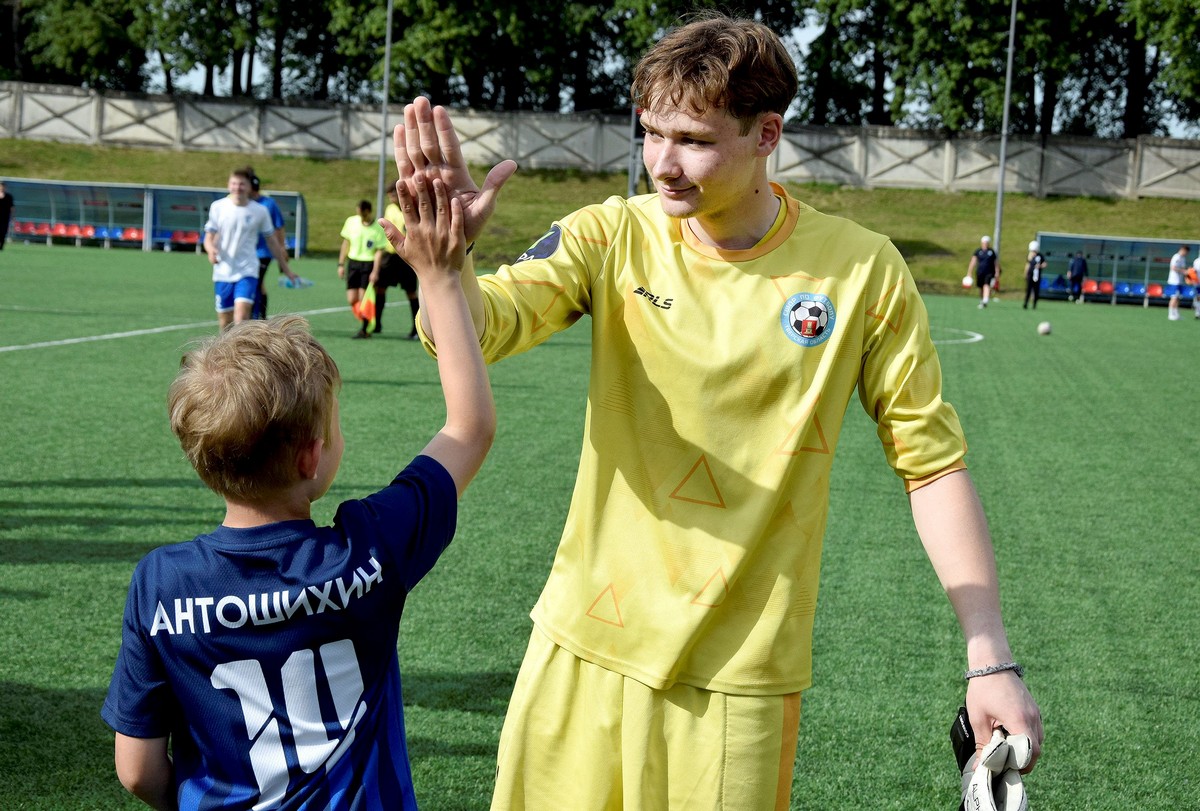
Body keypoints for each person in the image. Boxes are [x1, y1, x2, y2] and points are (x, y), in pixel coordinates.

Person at [393, 12, 1042, 810]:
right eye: (650, 133)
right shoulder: (608, 235)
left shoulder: (861, 271)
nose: (663, 163)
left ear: (766, 133)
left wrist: (990, 654)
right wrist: (445, 268)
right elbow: (472, 331)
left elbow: (932, 464)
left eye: (693, 140)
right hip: (582, 644)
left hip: (741, 680)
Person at [100, 173, 495, 810]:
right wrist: (441, 274)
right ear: (313, 457)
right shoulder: (369, 550)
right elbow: (469, 427)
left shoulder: (161, 583)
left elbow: (139, 771)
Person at [203, 167, 297, 330]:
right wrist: (211, 250)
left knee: (241, 318)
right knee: (225, 321)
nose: (237, 188)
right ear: (228, 185)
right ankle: (224, 354)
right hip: (223, 271)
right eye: (234, 183)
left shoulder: (259, 211)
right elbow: (208, 237)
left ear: (248, 187)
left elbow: (272, 241)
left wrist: (285, 268)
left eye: (241, 184)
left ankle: (241, 355)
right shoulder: (218, 207)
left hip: (247, 270)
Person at [338, 199, 386, 339]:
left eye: (362, 214)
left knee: (364, 298)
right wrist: (341, 264)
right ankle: (368, 319)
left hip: (368, 264)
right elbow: (345, 243)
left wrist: (375, 271)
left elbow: (378, 252)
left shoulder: (378, 227)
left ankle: (365, 330)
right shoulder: (351, 222)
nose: (360, 217)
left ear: (368, 211)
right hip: (353, 263)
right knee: (352, 299)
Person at [379, 185, 422, 338]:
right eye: (389, 195)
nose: (391, 197)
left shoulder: (410, 208)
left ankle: (416, 329)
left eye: (393, 194)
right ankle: (376, 325)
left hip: (406, 256)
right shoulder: (390, 209)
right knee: (380, 287)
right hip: (390, 255)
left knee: (411, 292)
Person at [247, 169, 289, 319]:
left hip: (264, 252)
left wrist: (282, 247)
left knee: (256, 282)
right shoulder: (245, 204)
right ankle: (260, 316)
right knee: (258, 283)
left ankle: (257, 317)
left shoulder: (268, 204)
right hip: (247, 251)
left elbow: (279, 227)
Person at [967, 235, 1000, 308]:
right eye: (984, 242)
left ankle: (985, 300)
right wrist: (969, 272)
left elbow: (996, 263)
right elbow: (973, 262)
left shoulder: (991, 252)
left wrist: (997, 272)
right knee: (981, 287)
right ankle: (982, 300)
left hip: (989, 272)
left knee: (986, 285)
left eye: (987, 243)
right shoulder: (978, 251)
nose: (985, 244)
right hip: (980, 272)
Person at [1167, 244, 1189, 321]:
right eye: (1186, 252)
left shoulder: (1183, 258)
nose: (1186, 254)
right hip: (1174, 281)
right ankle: (1170, 314)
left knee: (1178, 298)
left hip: (1179, 281)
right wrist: (1183, 271)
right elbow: (1173, 268)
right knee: (1174, 297)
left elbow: (1183, 269)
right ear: (1183, 250)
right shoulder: (1176, 257)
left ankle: (1176, 314)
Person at [1022, 240, 1046, 309]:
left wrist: (1040, 266)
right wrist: (1025, 273)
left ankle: (1034, 305)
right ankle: (1025, 303)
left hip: (1037, 276)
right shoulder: (1030, 256)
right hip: (1030, 275)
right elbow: (1028, 265)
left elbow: (1045, 264)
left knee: (1036, 291)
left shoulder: (1040, 256)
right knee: (1028, 290)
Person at [0, 181, 13, 250]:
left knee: (3, 232)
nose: (1, 188)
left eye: (3, 187)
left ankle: (1, 246)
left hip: (5, 218)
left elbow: (12, 208)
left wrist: (13, 217)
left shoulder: (8, 197)